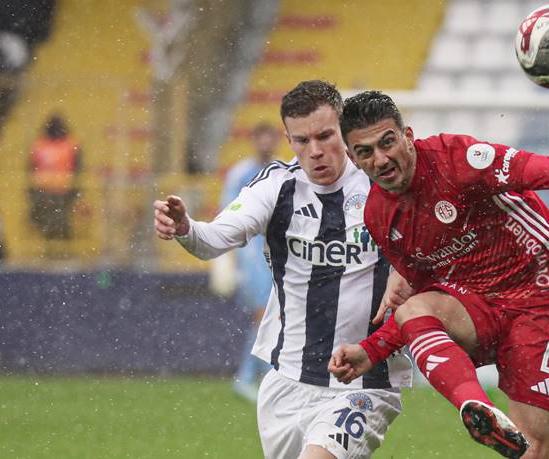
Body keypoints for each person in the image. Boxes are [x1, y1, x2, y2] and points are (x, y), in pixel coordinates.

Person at [328, 91, 549, 458]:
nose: (382, 158)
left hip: (540, 299)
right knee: (413, 309)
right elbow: (426, 297)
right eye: (366, 151)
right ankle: (476, 408)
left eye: (388, 142)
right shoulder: (378, 217)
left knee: (531, 450)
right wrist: (373, 349)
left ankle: (497, 424)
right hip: (478, 307)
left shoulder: (459, 160)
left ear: (408, 135)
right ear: (354, 160)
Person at [153, 81, 412, 459]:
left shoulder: (381, 181)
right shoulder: (277, 187)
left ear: (343, 129)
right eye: (302, 140)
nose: (316, 151)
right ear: (288, 140)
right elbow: (214, 239)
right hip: (287, 381)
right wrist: (185, 229)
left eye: (325, 136)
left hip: (365, 382)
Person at [222, 122, 281, 402]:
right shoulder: (241, 173)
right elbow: (228, 214)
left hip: (280, 250)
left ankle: (261, 376)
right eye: (262, 138)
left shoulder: (283, 171)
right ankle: (252, 376)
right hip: (252, 253)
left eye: (270, 138)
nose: (265, 144)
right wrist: (233, 259)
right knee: (265, 314)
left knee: (276, 316)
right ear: (254, 141)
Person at [28, 114, 82, 240]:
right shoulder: (39, 145)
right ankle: (51, 248)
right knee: (45, 224)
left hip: (63, 192)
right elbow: (31, 167)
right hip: (43, 192)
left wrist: (74, 191)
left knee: (61, 222)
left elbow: (78, 167)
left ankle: (62, 248)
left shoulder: (70, 144)